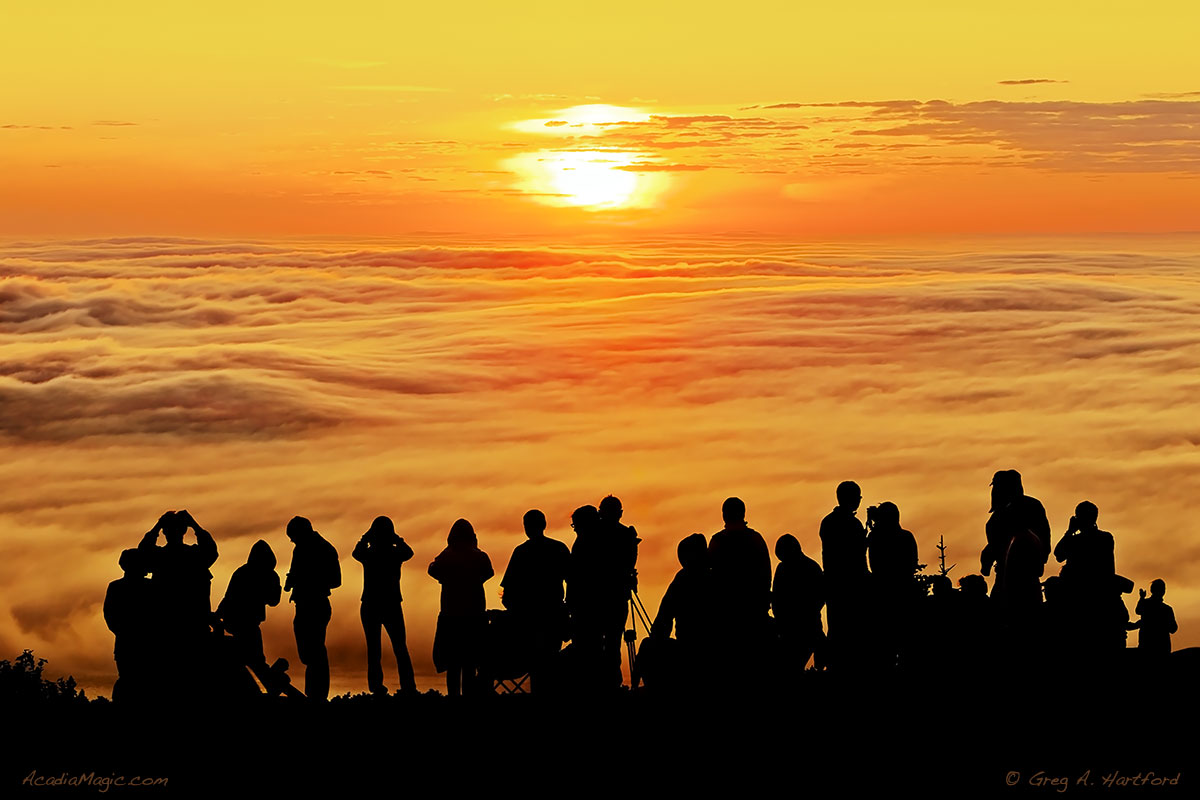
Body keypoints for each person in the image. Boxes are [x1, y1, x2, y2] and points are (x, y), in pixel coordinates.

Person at [136, 510, 219, 688]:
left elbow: (142, 552)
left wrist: (157, 526)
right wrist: (194, 524)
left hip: (167, 627)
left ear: (164, 533)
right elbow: (211, 550)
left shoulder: (160, 558)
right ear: (184, 531)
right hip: (193, 626)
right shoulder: (195, 557)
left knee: (169, 680)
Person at [500, 509, 570, 694]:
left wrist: (515, 611)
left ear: (526, 527)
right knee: (550, 661)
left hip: (527, 620)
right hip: (554, 616)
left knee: (535, 663)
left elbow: (507, 593)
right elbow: (573, 579)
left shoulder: (521, 552)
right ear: (544, 525)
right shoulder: (559, 548)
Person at [428, 519, 494, 697]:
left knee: (453, 664)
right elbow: (489, 572)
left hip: (451, 615)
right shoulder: (480, 556)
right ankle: (469, 699)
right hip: (475, 615)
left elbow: (432, 569)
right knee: (470, 663)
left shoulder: (447, 555)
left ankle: (453, 698)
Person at [352, 516, 417, 697]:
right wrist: (397, 538)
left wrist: (366, 537)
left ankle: (377, 687)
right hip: (392, 604)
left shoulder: (369, 554)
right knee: (400, 647)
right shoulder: (394, 554)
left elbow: (356, 552)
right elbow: (409, 552)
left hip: (371, 604)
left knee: (374, 649)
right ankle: (408, 687)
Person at [708, 497, 772, 677]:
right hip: (751, 610)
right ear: (743, 514)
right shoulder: (755, 539)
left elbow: (710, 577)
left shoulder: (717, 542)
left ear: (724, 515)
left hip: (726, 613)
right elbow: (766, 574)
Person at [285, 516, 341, 701]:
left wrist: (306, 580)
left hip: (316, 605)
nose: (292, 540)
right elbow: (295, 573)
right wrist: (293, 580)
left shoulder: (325, 549)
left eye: (293, 536)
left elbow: (336, 581)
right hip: (302, 605)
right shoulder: (299, 549)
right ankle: (315, 694)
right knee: (309, 653)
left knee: (315, 651)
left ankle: (316, 695)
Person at [216, 539, 282, 690]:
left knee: (251, 658)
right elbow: (229, 597)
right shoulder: (254, 574)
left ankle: (271, 684)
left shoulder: (245, 573)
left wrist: (218, 614)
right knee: (253, 659)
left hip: (244, 622)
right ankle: (271, 684)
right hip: (241, 622)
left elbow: (273, 600)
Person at [819, 481, 868, 670]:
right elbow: (856, 557)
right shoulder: (851, 524)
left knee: (837, 630)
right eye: (858, 497)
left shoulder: (828, 522)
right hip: (851, 586)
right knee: (851, 634)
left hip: (833, 585)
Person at [103, 548, 153, 703]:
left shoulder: (116, 587)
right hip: (137, 643)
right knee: (133, 681)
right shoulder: (151, 587)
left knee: (129, 681)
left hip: (130, 642)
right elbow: (110, 615)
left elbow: (110, 615)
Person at [771, 534, 825, 678]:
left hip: (804, 628)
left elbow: (819, 598)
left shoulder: (809, 568)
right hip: (791, 629)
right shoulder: (784, 568)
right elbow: (777, 598)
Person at [1132, 579, 1177, 657]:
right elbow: (1173, 629)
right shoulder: (1167, 609)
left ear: (1152, 590)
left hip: (1146, 646)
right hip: (1162, 648)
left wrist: (1142, 598)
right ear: (1163, 591)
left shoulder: (1146, 604)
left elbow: (1138, 611)